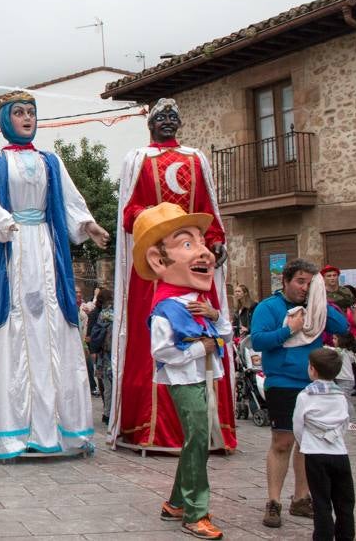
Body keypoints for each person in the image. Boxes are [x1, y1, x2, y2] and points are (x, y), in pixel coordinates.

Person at [0, 92, 109, 460]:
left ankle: (58, 430)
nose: (27, 118)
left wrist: (88, 225)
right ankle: (16, 430)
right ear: (4, 121)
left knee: (51, 325)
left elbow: (68, 201)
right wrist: (5, 224)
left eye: (31, 112)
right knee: (18, 323)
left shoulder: (51, 161)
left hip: (47, 250)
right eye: (18, 113)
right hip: (14, 248)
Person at [110, 98, 235, 452]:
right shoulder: (138, 160)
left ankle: (208, 425)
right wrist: (157, 221)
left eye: (173, 116)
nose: (167, 121)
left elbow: (208, 209)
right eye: (161, 117)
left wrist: (215, 241)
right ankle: (149, 424)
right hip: (158, 265)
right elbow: (129, 211)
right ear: (150, 123)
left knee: (202, 324)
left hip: (194, 262)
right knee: (155, 333)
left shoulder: (197, 159)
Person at [133, 203, 231, 539]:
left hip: (204, 377)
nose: (204, 252)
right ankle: (195, 512)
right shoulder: (166, 308)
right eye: (187, 244)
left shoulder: (197, 300)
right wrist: (197, 348)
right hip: (185, 380)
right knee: (198, 440)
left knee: (196, 441)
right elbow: (161, 352)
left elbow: (227, 334)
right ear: (159, 261)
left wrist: (215, 316)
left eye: (201, 242)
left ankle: (176, 503)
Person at [250, 258, 349, 528]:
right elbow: (259, 340)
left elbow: (341, 328)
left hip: (314, 384)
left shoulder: (316, 307)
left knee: (308, 443)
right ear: (286, 281)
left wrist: (322, 300)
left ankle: (301, 498)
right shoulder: (269, 307)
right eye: (300, 282)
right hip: (282, 381)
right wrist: (288, 330)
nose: (305, 288)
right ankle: (274, 501)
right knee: (283, 441)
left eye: (309, 283)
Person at [293, 348, 356, 541]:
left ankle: (323, 536)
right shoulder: (340, 396)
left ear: (312, 369)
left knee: (321, 502)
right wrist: (335, 437)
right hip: (339, 453)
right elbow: (345, 422)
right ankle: (346, 535)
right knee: (345, 501)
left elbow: (298, 425)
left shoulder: (305, 396)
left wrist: (305, 443)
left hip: (315, 454)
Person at [87, 289, 115, 422]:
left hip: (104, 357)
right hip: (108, 356)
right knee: (109, 387)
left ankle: (107, 413)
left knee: (107, 386)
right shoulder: (108, 314)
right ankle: (108, 414)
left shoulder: (102, 313)